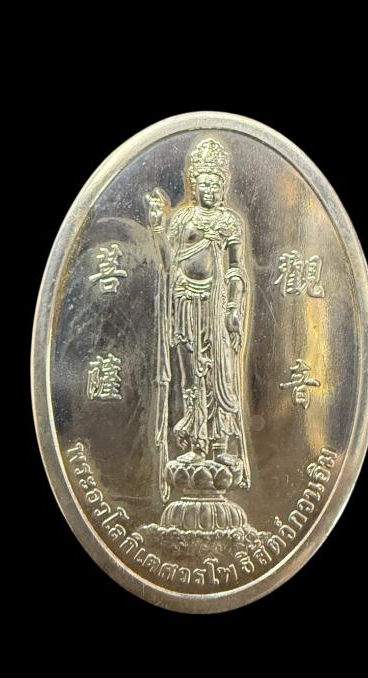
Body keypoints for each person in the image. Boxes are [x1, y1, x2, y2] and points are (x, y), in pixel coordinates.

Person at [146, 139, 251, 502]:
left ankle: (220, 445)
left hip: (216, 306)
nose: (208, 189)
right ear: (194, 184)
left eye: (214, 183)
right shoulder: (183, 219)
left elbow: (237, 270)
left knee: (220, 375)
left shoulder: (229, 222)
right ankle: (195, 445)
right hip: (186, 303)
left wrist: (234, 307)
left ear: (223, 186)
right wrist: (157, 227)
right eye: (203, 183)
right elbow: (167, 261)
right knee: (191, 376)